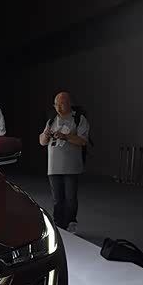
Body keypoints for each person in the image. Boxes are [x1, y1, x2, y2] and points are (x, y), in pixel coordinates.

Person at [39, 91, 89, 233]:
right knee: (57, 198)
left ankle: (71, 223)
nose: (58, 108)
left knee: (70, 197)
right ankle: (58, 224)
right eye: (56, 105)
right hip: (53, 166)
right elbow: (42, 142)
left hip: (71, 166)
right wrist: (46, 134)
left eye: (61, 104)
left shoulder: (78, 119)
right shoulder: (52, 120)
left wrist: (66, 136)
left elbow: (83, 140)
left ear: (69, 104)